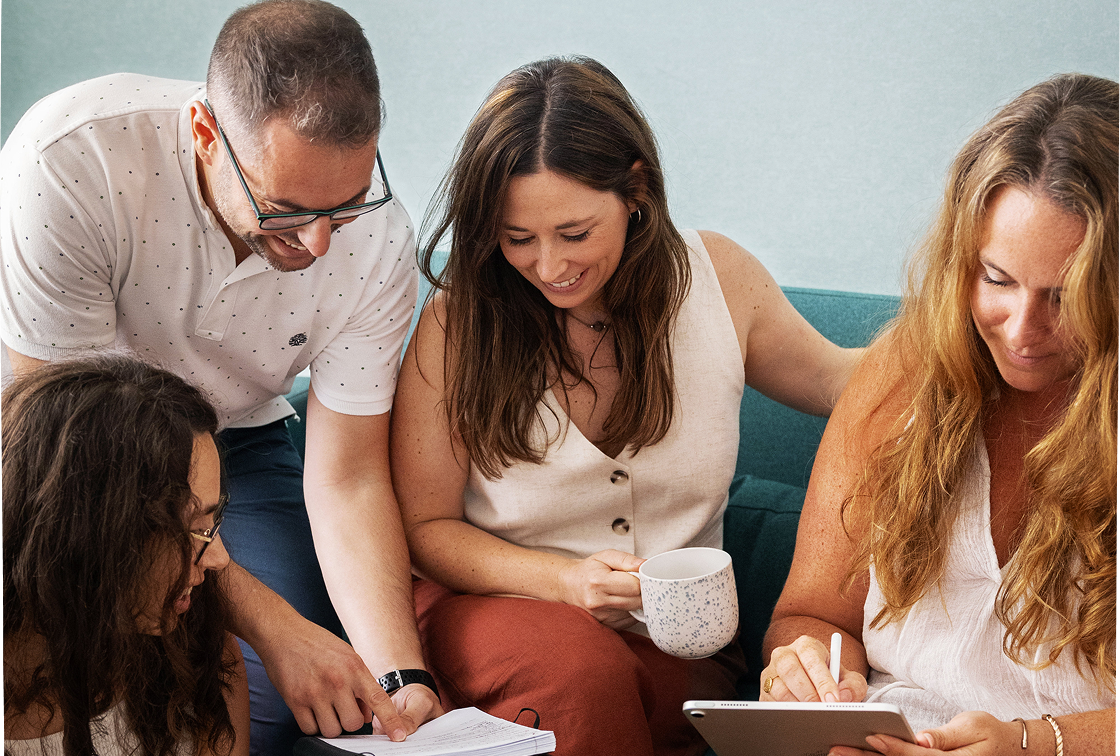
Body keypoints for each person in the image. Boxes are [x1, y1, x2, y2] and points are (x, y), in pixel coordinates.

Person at [0, 2, 441, 752]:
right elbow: (70, 462)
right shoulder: (71, 161)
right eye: (287, 210)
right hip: (68, 459)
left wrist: (400, 677)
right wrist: (272, 625)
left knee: (274, 708)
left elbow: (349, 478)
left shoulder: (380, 237)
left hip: (238, 442)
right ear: (206, 134)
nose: (320, 241)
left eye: (347, 203)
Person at [389, 56, 862, 756]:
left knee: (646, 698)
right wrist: (563, 581)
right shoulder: (458, 322)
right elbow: (425, 527)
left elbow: (839, 381)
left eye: (574, 233)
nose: (549, 266)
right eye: (518, 239)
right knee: (585, 675)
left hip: (676, 642)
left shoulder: (717, 279)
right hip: (489, 615)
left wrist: (976, 331)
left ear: (635, 190)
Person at [761, 73, 1117, 756]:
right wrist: (814, 675)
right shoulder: (899, 377)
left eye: (1065, 296)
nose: (1020, 329)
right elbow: (811, 614)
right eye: (997, 279)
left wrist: (1029, 744)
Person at [3, 353, 250, 756]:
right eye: (189, 528)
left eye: (213, 519)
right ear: (93, 533)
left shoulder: (201, 649)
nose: (218, 558)